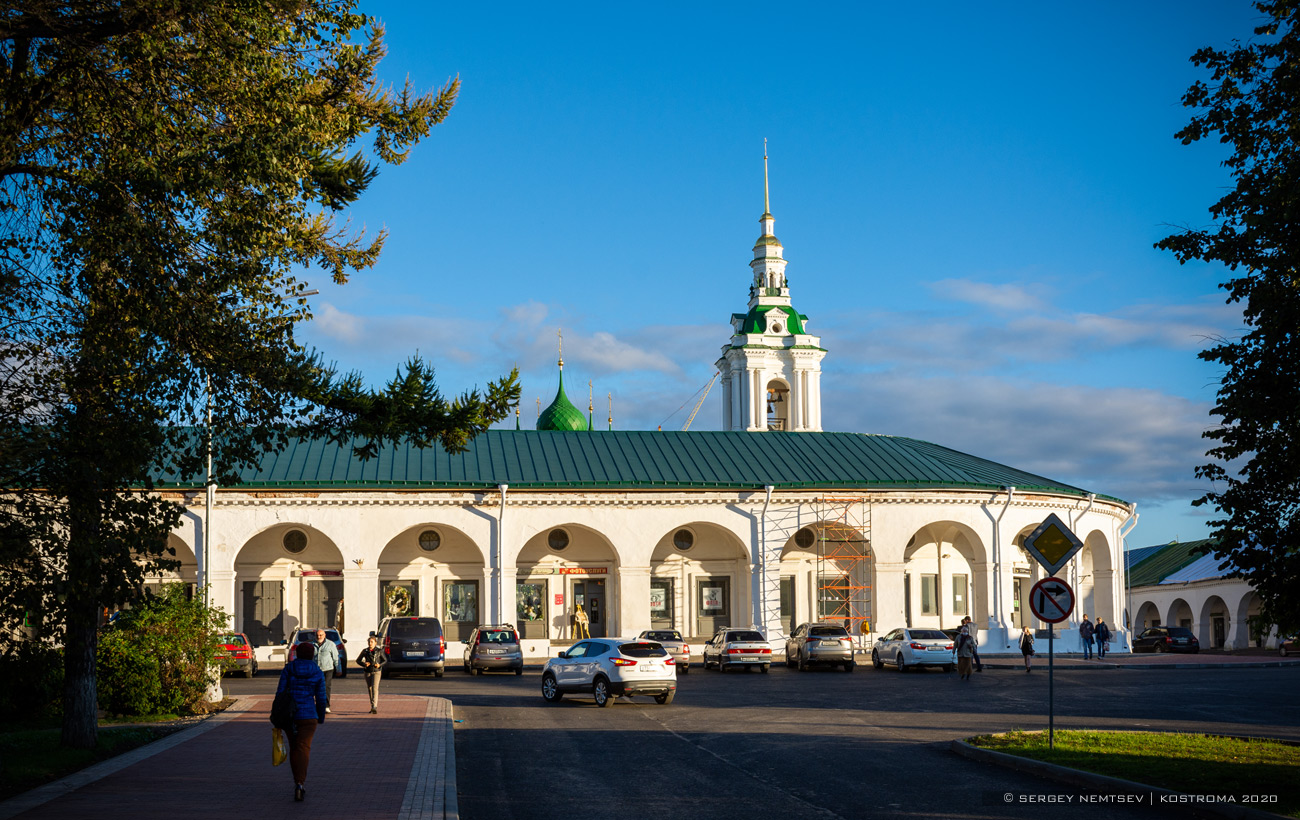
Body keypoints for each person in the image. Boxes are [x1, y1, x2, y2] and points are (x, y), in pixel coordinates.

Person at [276, 641, 327, 802]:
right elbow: (321, 697)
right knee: (304, 748)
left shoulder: (289, 669)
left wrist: (278, 714)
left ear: (297, 653)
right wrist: (320, 716)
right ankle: (300, 783)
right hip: (308, 715)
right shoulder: (317, 672)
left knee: (294, 747)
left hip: (290, 715)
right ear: (312, 655)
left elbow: (280, 693)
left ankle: (297, 780)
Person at [357, 634, 387, 714]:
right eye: (369, 642)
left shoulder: (379, 651)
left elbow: (385, 660)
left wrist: (379, 665)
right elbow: (358, 660)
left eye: (372, 642)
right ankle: (372, 705)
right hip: (367, 671)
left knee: (375, 688)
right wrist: (364, 664)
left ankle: (374, 706)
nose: (370, 643)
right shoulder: (365, 651)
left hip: (376, 671)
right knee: (370, 688)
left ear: (375, 643)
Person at [313, 628, 339, 712]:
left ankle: (326, 706)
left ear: (325, 636)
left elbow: (336, 658)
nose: (319, 637)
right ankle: (319, 705)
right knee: (317, 688)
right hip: (316, 670)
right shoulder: (312, 644)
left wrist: (338, 669)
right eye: (317, 635)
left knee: (326, 687)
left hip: (328, 669)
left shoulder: (330, 644)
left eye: (321, 635)